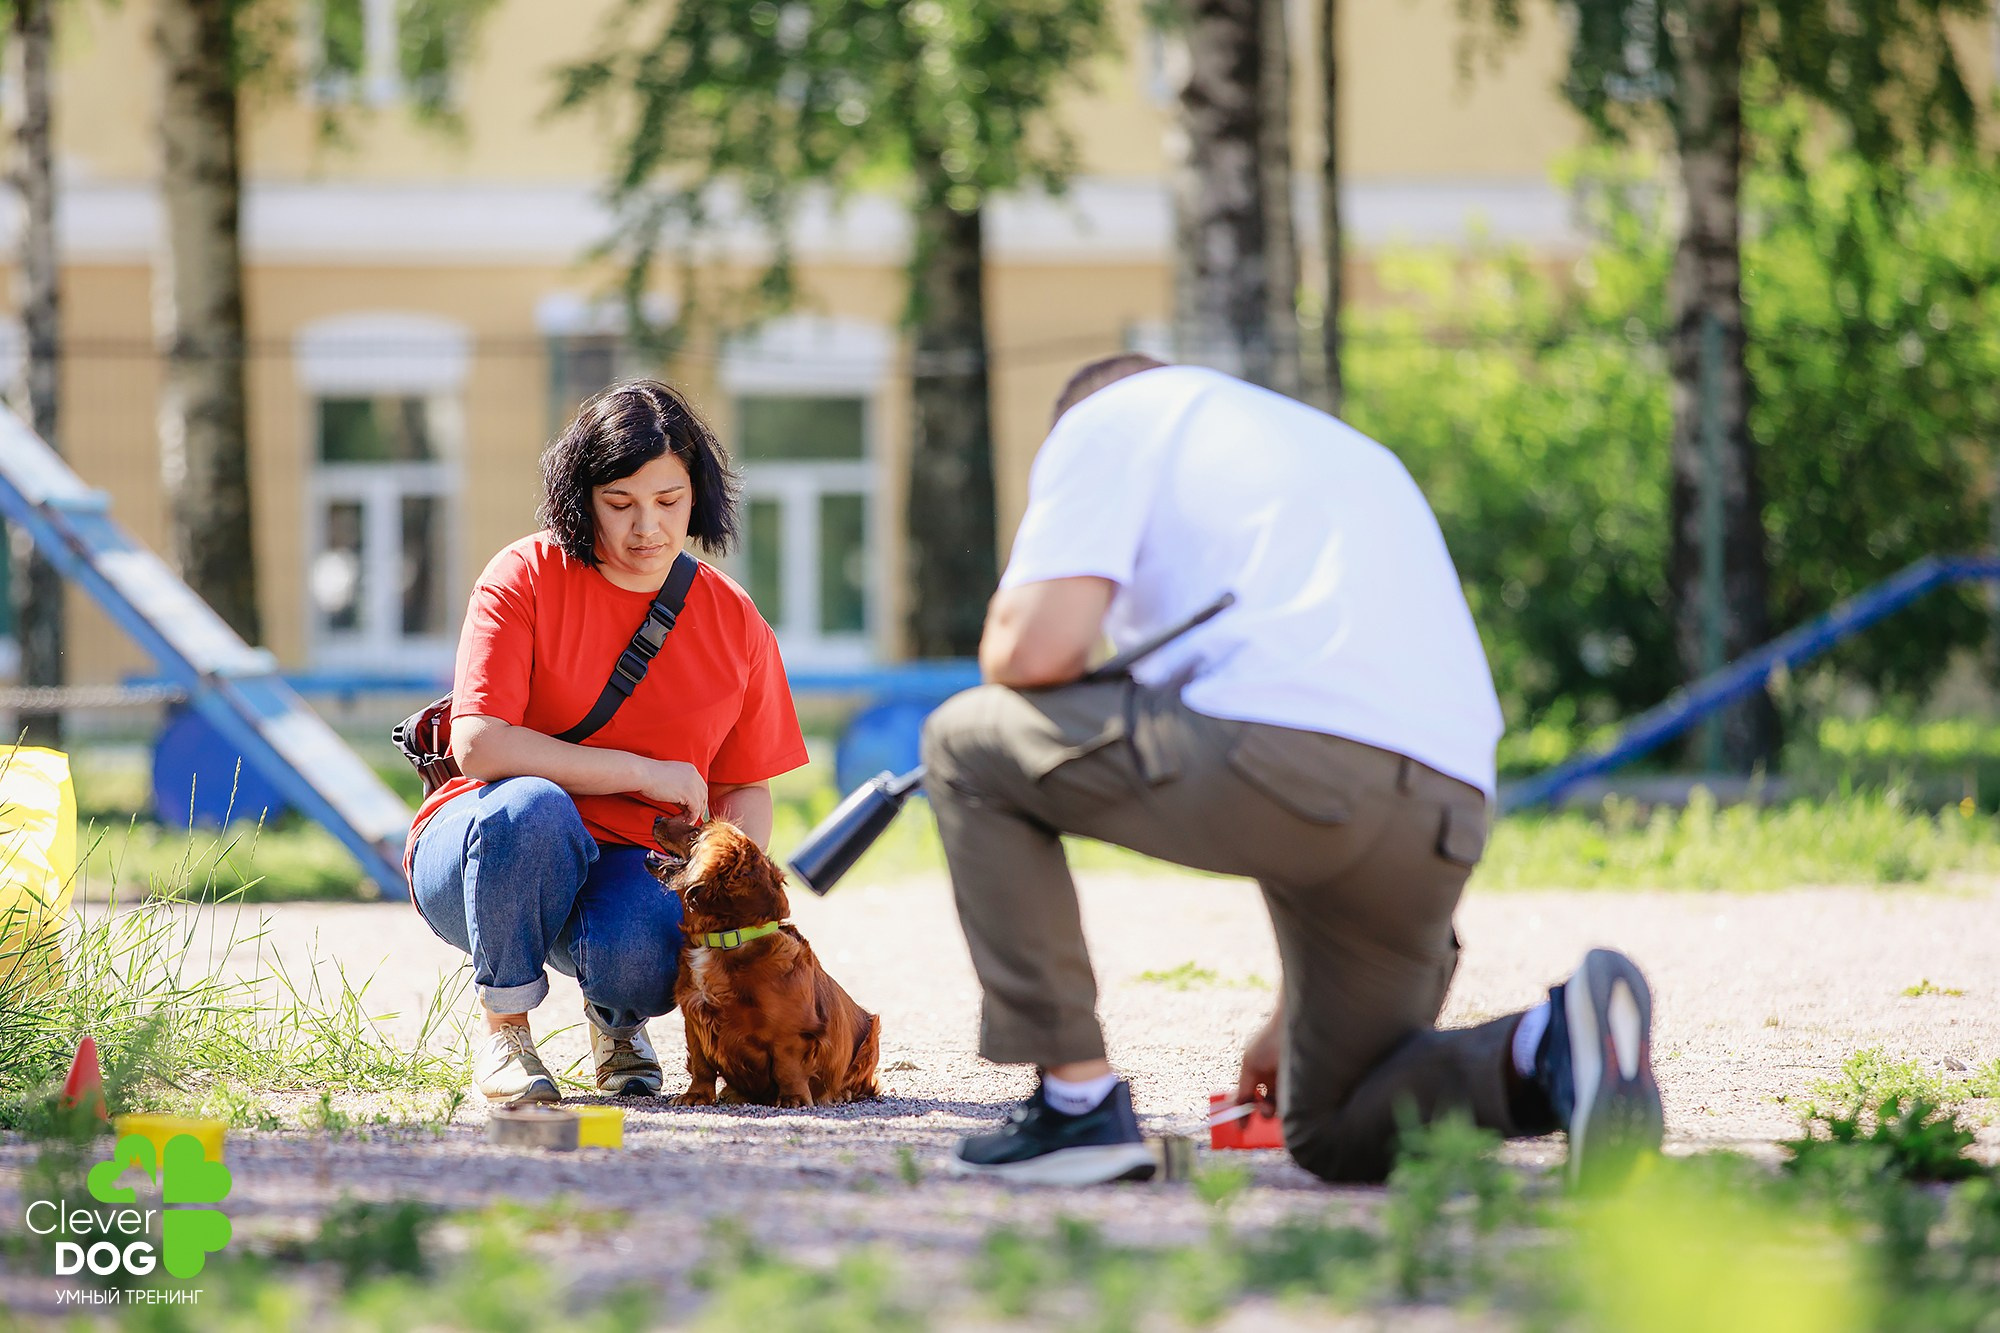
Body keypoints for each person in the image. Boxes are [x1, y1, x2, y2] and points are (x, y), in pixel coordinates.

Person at [922, 355, 1663, 1187]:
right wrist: (1294, 1015)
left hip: (1292, 768)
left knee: (964, 740)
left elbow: (1030, 650)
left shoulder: (1107, 416)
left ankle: (1073, 1103)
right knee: (1334, 1122)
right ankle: (1550, 1045)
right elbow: (1329, 693)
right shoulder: (1331, 451)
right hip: (1446, 810)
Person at [407, 380, 808, 1105]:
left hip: (636, 865)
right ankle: (505, 1035)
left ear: (700, 496)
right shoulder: (523, 575)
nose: (646, 528)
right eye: (619, 503)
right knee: (532, 807)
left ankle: (618, 1023)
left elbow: (746, 784)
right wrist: (640, 771)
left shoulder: (733, 618)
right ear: (580, 496)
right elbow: (480, 744)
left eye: (668, 501)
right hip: (485, 849)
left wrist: (723, 895)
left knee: (648, 950)